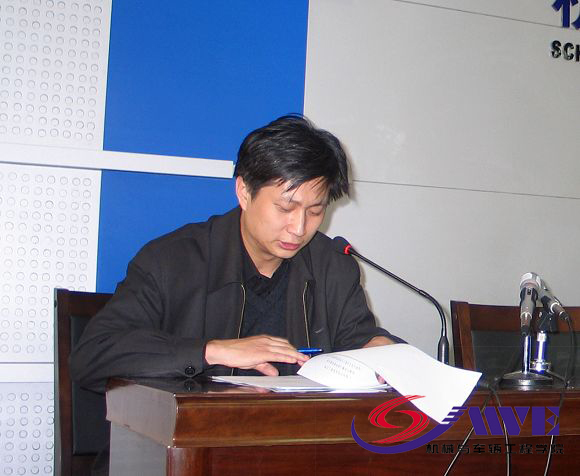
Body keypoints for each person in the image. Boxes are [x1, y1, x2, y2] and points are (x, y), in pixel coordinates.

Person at [70, 115, 403, 393]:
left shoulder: (332, 265)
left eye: (315, 211)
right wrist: (211, 351)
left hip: (297, 439)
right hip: (196, 441)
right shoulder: (171, 261)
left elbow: (359, 339)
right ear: (244, 191)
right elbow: (91, 356)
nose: (299, 227)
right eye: (285, 208)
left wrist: (380, 350)